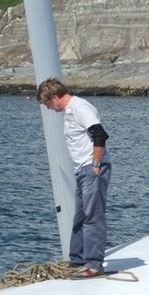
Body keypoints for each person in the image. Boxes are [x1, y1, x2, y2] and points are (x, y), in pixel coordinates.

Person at [36, 77, 112, 278]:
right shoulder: (69, 111)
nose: (48, 108)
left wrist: (95, 164)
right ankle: (77, 259)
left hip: (92, 168)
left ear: (54, 97)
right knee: (80, 215)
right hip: (82, 170)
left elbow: (100, 134)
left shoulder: (79, 108)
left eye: (47, 103)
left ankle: (94, 264)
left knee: (92, 215)